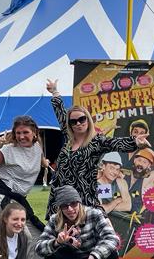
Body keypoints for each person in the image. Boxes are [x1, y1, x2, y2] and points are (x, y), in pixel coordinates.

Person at [45, 79, 147, 219]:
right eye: (73, 121)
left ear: (88, 119)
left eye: (82, 119)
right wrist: (54, 92)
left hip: (81, 199)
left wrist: (135, 142)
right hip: (60, 196)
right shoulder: (69, 138)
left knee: (83, 235)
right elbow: (61, 114)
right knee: (59, 234)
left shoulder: (96, 141)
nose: (78, 123)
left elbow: (115, 143)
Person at [36, 185, 120, 259]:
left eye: (74, 204)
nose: (70, 209)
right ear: (60, 208)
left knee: (112, 252)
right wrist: (57, 242)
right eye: (65, 206)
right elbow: (39, 248)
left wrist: (94, 255)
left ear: (79, 202)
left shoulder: (94, 214)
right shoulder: (54, 220)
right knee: (50, 250)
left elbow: (112, 238)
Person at [0, 114, 48, 231]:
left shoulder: (37, 146)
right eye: (18, 133)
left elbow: (41, 159)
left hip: (19, 198)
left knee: (37, 235)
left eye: (25, 132)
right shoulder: (8, 150)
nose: (21, 136)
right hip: (2, 196)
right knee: (25, 236)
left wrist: (45, 163)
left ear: (34, 133)